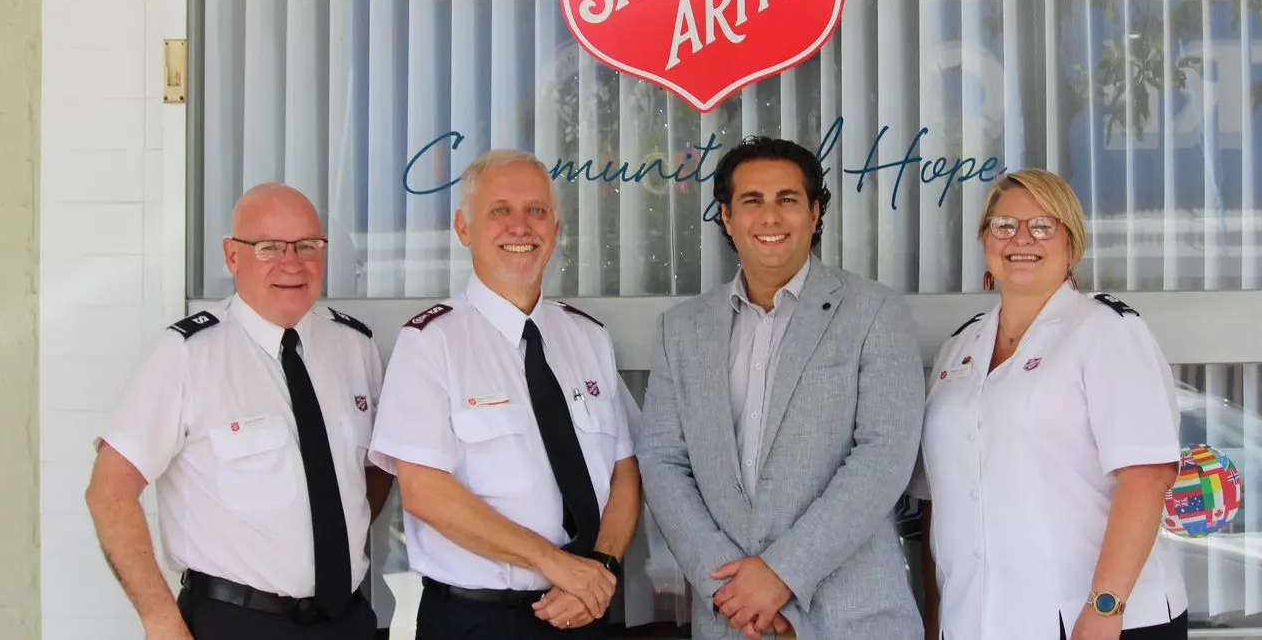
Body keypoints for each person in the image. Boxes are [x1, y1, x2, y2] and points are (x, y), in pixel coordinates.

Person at [638, 136, 926, 640]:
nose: (770, 217)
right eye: (752, 201)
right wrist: (732, 587)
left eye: (787, 200)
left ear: (815, 213)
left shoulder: (875, 312)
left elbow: (885, 456)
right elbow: (663, 460)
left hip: (852, 617)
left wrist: (782, 573)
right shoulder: (681, 329)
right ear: (726, 217)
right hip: (732, 618)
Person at [86, 183, 392, 640]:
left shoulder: (355, 347)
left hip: (346, 621)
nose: (292, 263)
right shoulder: (185, 355)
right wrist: (160, 617)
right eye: (269, 247)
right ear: (233, 256)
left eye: (308, 246)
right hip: (233, 623)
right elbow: (109, 490)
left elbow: (374, 469)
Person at [369, 149, 642, 639]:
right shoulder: (431, 343)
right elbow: (424, 493)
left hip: (584, 610)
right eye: (500, 211)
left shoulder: (587, 337)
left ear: (555, 229)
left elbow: (625, 469)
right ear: (464, 228)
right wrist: (556, 564)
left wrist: (600, 569)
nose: (521, 226)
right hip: (478, 620)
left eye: (536, 211)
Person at [915, 169, 1187, 640]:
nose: (1022, 238)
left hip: (1094, 620)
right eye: (1004, 226)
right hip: (978, 621)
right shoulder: (958, 347)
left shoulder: (1106, 330)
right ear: (985, 242)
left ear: (1071, 243)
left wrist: (1104, 607)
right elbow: (938, 504)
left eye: (1043, 225)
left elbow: (1147, 476)